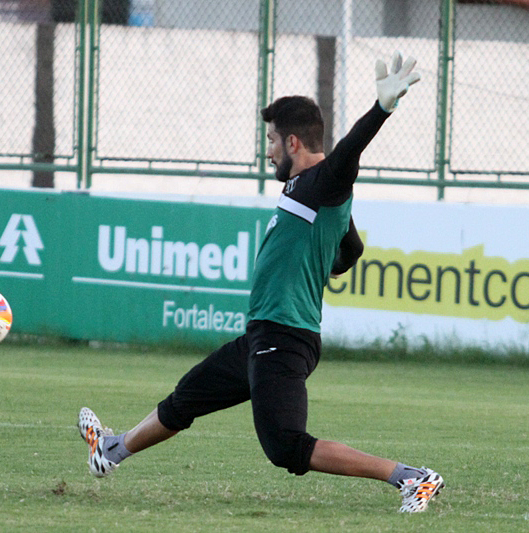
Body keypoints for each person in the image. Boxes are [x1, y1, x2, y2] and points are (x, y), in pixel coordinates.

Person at [78, 52, 444, 513]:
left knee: (286, 447)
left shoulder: (321, 183)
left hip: (285, 337)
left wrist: (381, 109)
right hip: (264, 334)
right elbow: (352, 250)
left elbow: (348, 156)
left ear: (292, 141)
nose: (267, 148)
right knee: (183, 401)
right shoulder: (309, 195)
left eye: (271, 139)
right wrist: (324, 262)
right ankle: (110, 451)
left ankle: (412, 478)